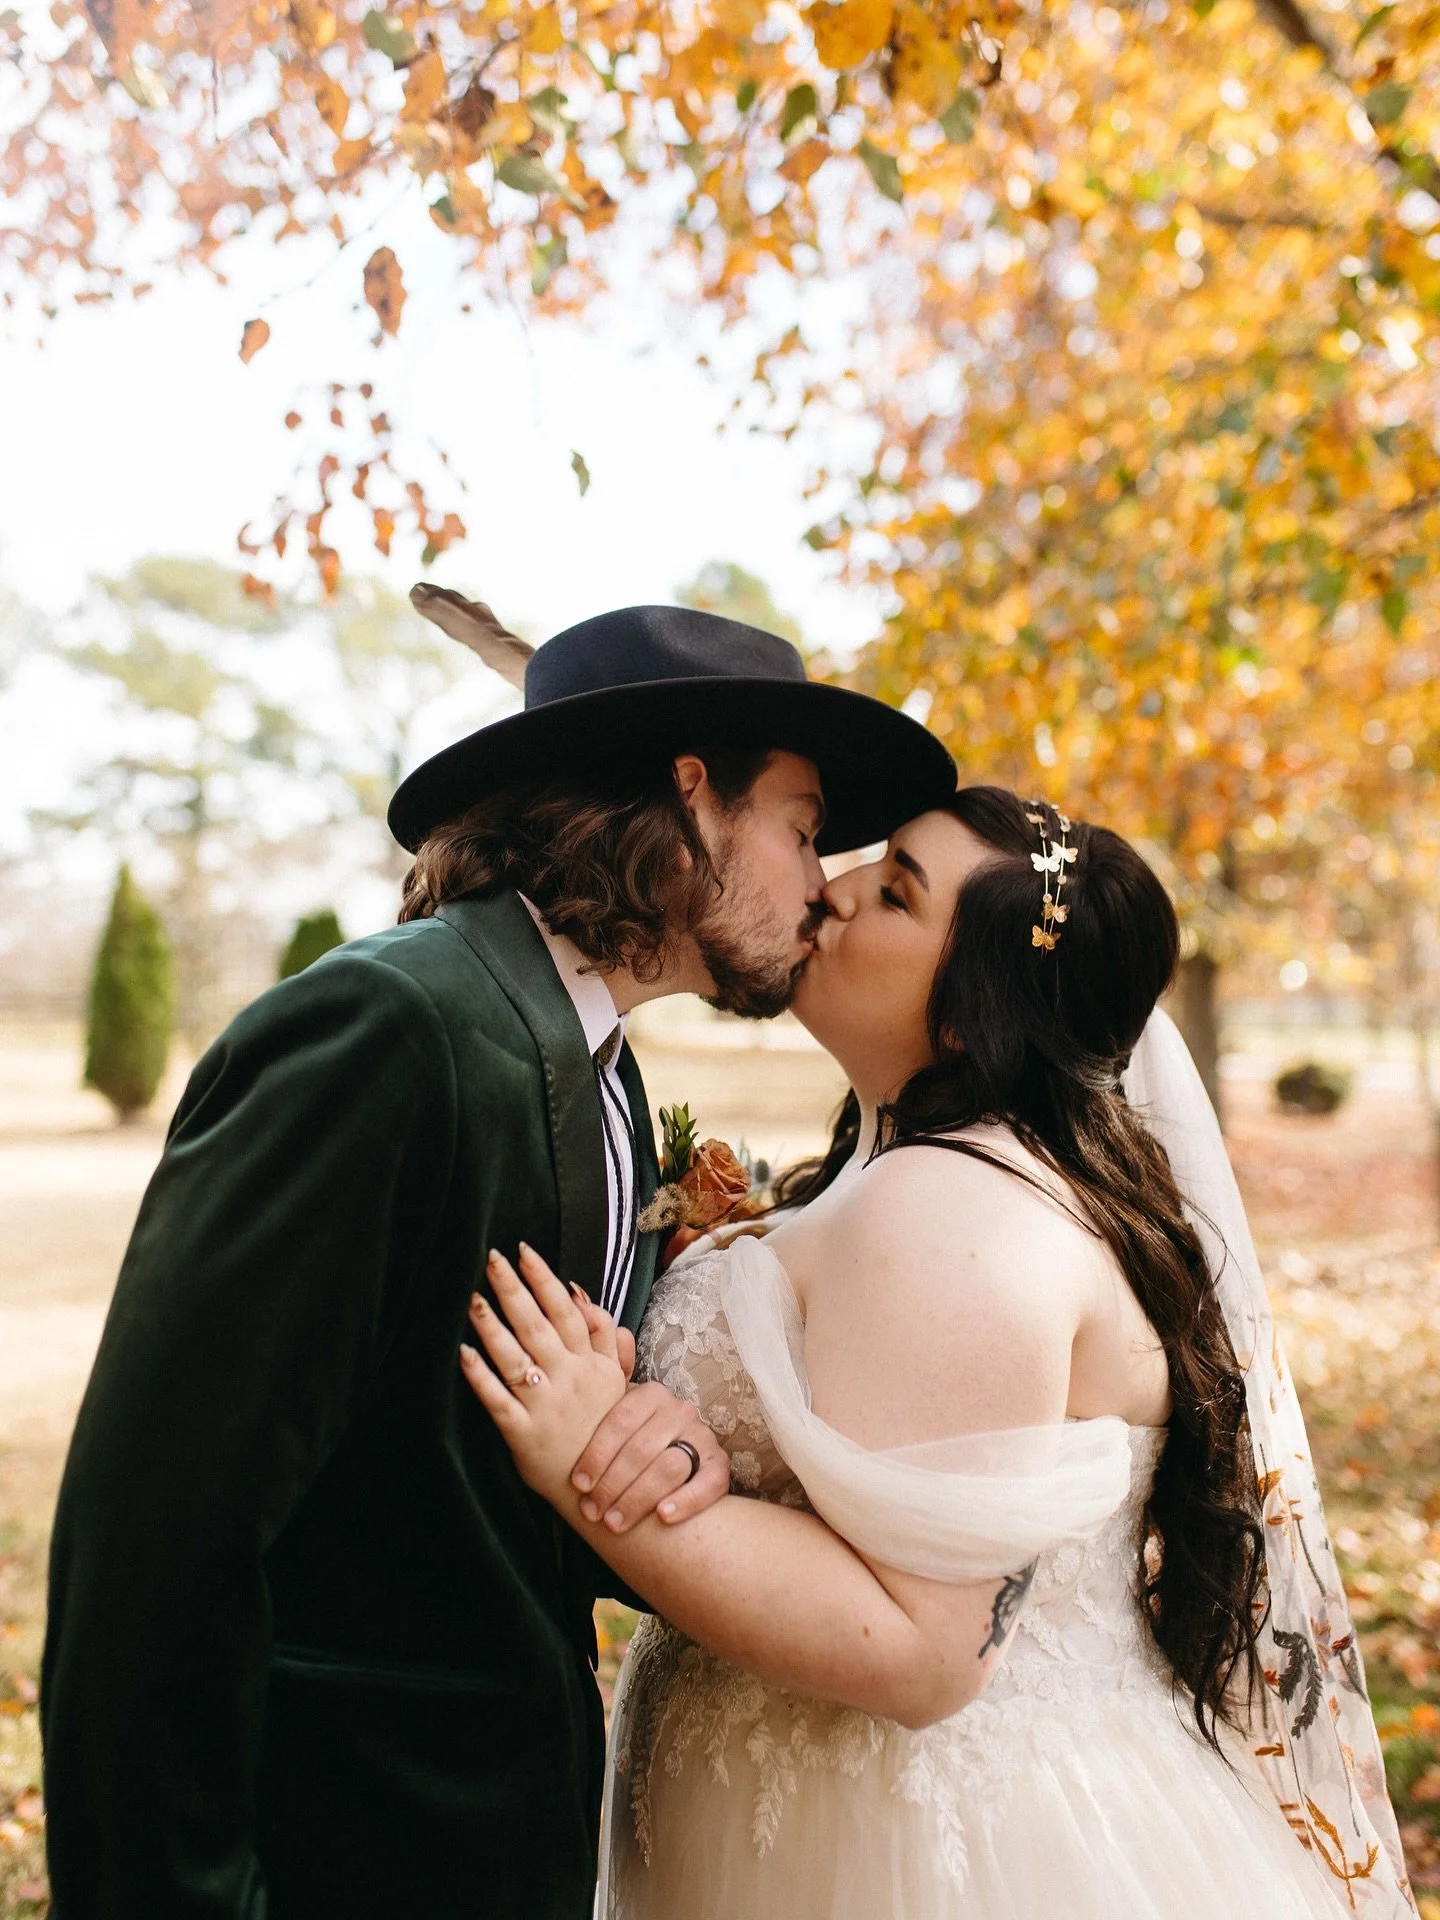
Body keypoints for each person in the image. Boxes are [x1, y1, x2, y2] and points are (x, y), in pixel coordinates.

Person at [39, 602, 956, 1920]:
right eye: (804, 828)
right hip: (329, 1847)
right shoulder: (389, 1030)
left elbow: (469, 1473)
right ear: (690, 794)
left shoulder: (609, 1075)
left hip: (496, 1850)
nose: (821, 883)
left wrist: (669, 1452)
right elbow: (156, 1548)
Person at [463, 786, 1417, 1920]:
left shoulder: (956, 1212)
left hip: (919, 1850)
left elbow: (923, 1647)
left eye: (895, 892)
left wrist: (592, 1467)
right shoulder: (924, 1170)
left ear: (972, 1014)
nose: (832, 889)